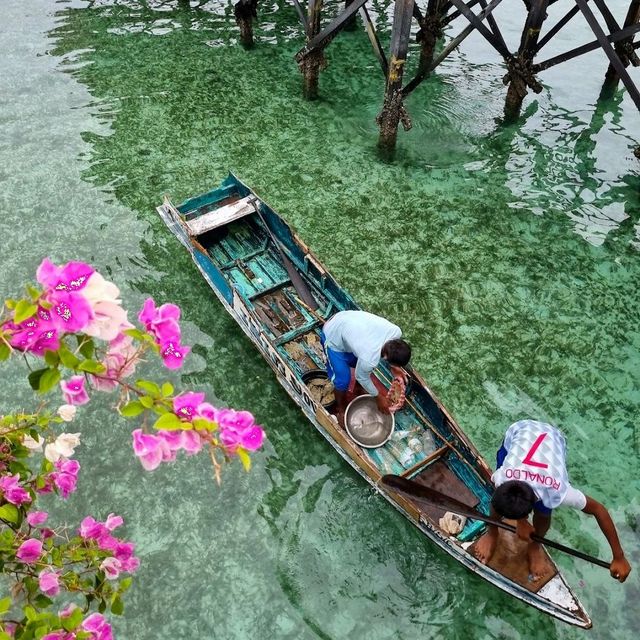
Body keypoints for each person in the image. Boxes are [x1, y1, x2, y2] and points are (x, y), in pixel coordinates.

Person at [474, 419, 631, 583]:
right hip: (521, 431)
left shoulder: (557, 490)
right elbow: (499, 500)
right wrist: (521, 522)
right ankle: (492, 532)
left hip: (554, 439)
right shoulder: (503, 476)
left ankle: (535, 546)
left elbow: (599, 510)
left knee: (544, 512)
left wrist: (619, 556)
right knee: (498, 502)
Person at [320, 310, 411, 427]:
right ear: (387, 358)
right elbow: (361, 376)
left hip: (347, 318)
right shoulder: (369, 358)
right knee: (342, 380)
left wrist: (395, 367)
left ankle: (358, 388)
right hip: (332, 335)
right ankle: (341, 409)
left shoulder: (395, 331)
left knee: (363, 366)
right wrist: (379, 397)